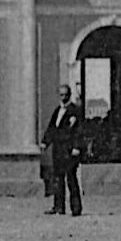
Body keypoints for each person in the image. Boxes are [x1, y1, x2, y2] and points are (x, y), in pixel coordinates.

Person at [40, 84, 83, 216]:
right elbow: (52, 128)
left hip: (69, 151)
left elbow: (78, 131)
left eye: (66, 95)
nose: (63, 97)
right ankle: (59, 207)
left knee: (71, 178)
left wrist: (76, 147)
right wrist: (45, 142)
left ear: (69, 95)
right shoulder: (57, 110)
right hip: (58, 150)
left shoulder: (74, 111)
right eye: (61, 95)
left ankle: (76, 208)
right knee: (57, 179)